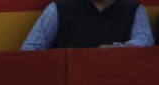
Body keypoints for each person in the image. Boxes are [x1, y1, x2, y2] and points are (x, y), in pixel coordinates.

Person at [21, 0, 154, 48]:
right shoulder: (58, 9)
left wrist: (118, 49)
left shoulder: (134, 8)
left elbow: (146, 41)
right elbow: (30, 49)